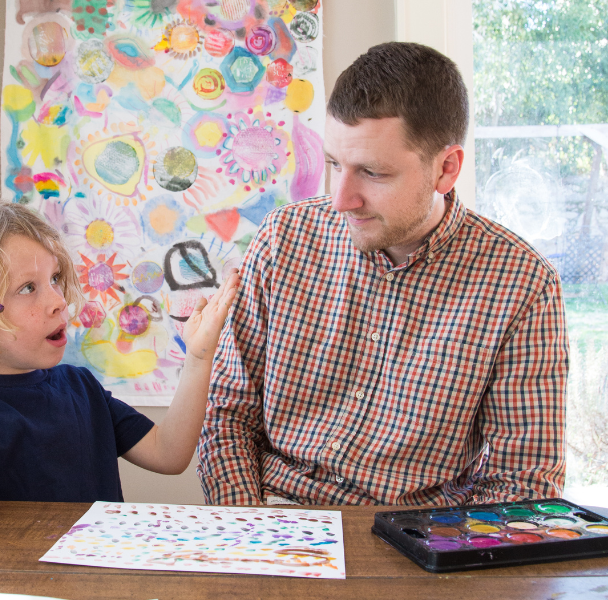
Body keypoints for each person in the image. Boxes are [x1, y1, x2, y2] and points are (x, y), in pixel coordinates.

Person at [197, 42, 568, 507]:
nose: (340, 199)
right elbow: (227, 415)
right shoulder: (284, 237)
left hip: (416, 532)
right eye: (335, 164)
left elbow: (522, 484)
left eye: (372, 173)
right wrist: (248, 530)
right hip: (270, 514)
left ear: (446, 169)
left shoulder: (523, 284)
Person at [0, 194, 238, 526]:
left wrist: (198, 357)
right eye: (27, 288)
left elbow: (169, 453)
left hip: (94, 561)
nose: (58, 301)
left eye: (54, 279)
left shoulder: (81, 388)